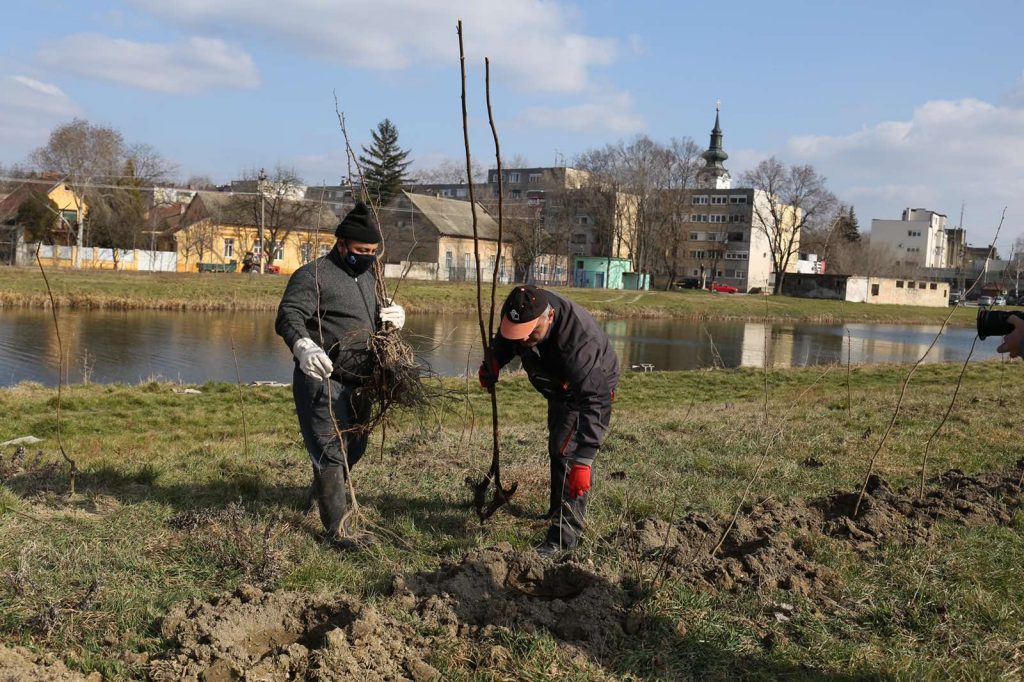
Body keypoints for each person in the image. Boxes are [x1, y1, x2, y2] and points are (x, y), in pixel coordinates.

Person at [275, 202, 405, 548]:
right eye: (362, 251)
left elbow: (372, 317)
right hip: (322, 377)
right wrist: (302, 345)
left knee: (355, 447)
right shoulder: (312, 275)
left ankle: (318, 495)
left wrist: (392, 317)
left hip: (361, 382)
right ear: (342, 244)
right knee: (331, 451)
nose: (368, 257)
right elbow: (288, 315)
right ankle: (338, 532)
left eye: (373, 252)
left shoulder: (371, 276)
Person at [478, 285, 620, 557]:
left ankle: (563, 540)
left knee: (569, 456)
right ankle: (557, 511)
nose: (523, 339)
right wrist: (493, 361)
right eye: (518, 333)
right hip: (557, 384)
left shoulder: (578, 344)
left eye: (530, 333)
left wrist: (585, 459)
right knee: (557, 447)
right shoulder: (522, 307)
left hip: (588, 390)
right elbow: (507, 340)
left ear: (550, 317)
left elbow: (595, 400)